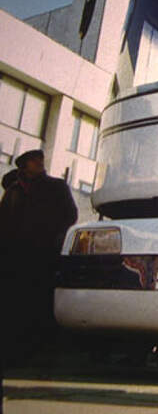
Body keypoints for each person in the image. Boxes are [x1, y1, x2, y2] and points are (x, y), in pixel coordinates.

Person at [0, 149, 77, 365]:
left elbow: (70, 215)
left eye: (40, 160)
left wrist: (54, 237)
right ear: (24, 165)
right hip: (14, 255)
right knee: (14, 302)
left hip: (42, 254)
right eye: (34, 161)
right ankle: (14, 348)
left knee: (38, 300)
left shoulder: (56, 187)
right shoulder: (14, 190)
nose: (39, 163)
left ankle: (37, 349)